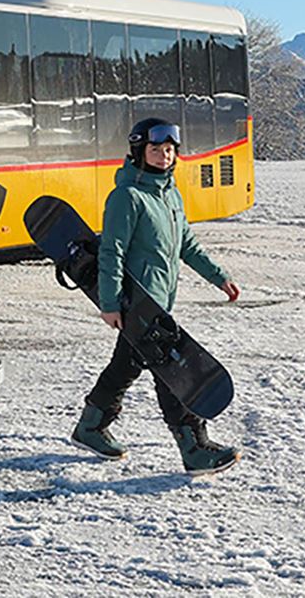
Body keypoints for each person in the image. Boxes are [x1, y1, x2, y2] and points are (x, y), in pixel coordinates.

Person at [71, 117, 243, 474]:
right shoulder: (127, 197)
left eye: (169, 150)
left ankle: (91, 426)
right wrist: (109, 303)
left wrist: (219, 277)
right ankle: (193, 447)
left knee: (126, 365)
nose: (164, 156)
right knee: (171, 369)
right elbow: (111, 252)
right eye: (156, 149)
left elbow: (186, 245)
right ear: (139, 152)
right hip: (137, 300)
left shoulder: (170, 195)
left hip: (160, 300)